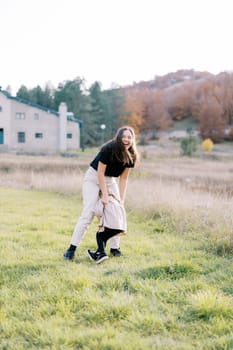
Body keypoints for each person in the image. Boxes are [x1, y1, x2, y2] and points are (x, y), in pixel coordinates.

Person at [63, 125, 139, 261]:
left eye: (130, 137)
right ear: (119, 137)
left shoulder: (132, 155)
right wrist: (104, 194)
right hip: (93, 178)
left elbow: (124, 178)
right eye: (124, 136)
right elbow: (100, 173)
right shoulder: (109, 149)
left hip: (111, 181)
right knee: (88, 214)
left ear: (132, 139)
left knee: (115, 212)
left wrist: (121, 200)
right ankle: (71, 249)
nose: (127, 139)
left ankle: (115, 249)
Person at [87, 192, 127, 264]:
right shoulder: (117, 201)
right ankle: (97, 254)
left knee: (99, 235)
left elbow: (98, 211)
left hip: (111, 225)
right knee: (104, 238)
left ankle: (102, 254)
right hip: (120, 227)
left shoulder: (103, 200)